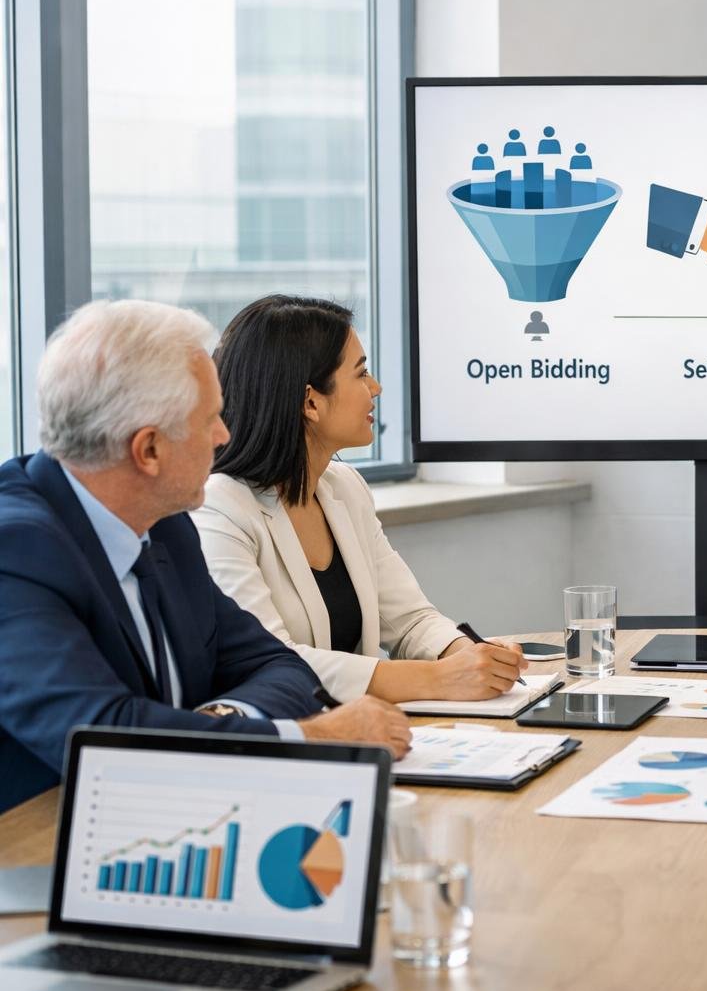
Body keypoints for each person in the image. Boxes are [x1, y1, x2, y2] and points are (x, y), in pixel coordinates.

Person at [0, 300, 412, 814]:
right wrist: (305, 738)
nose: (224, 437)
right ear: (148, 450)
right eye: (210, 420)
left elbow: (277, 665)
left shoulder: (166, 524)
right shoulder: (15, 551)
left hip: (163, 819)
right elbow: (102, 736)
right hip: (33, 849)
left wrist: (220, 719)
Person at [193, 295, 529, 706]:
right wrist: (437, 679)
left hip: (369, 730)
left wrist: (467, 657)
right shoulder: (219, 508)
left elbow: (409, 621)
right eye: (362, 373)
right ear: (310, 402)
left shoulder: (345, 488)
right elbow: (270, 662)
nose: (376, 388)